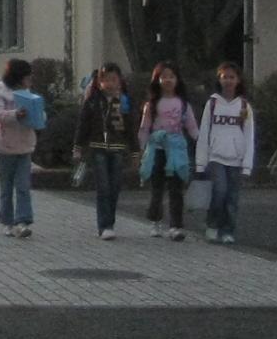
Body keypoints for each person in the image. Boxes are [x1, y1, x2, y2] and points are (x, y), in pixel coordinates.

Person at [71, 64, 133, 240]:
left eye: (113, 79)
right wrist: (78, 147)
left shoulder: (124, 102)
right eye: (105, 79)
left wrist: (135, 150)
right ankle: (104, 225)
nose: (110, 83)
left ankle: (110, 222)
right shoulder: (92, 102)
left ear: (120, 81)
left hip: (117, 149)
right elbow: (83, 126)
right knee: (103, 187)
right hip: (98, 147)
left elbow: (130, 127)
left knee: (114, 187)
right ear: (99, 82)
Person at [197, 61, 256, 244]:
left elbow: (249, 136)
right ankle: (212, 224)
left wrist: (247, 165)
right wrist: (201, 162)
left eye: (232, 77)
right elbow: (204, 133)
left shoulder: (244, 106)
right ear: (219, 80)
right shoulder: (212, 104)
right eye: (225, 77)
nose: (228, 81)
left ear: (238, 80)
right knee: (219, 192)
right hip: (215, 157)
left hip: (236, 159)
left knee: (232, 198)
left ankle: (228, 230)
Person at [138, 61, 197, 240]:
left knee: (176, 189)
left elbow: (192, 127)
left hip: (177, 151)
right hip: (157, 149)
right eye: (164, 76)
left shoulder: (184, 104)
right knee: (157, 188)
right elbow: (144, 128)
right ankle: (155, 221)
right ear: (157, 80)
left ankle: (176, 226)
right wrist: (141, 149)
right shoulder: (152, 105)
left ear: (178, 79)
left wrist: (202, 144)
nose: (168, 80)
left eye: (172, 76)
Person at [0, 57, 40, 239]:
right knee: (7, 186)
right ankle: (7, 221)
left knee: (24, 186)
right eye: (28, 77)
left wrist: (39, 116)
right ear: (18, 77)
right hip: (5, 147)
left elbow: (39, 114)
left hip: (25, 146)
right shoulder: (1, 92)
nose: (30, 80)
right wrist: (15, 114)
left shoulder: (29, 94)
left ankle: (23, 221)